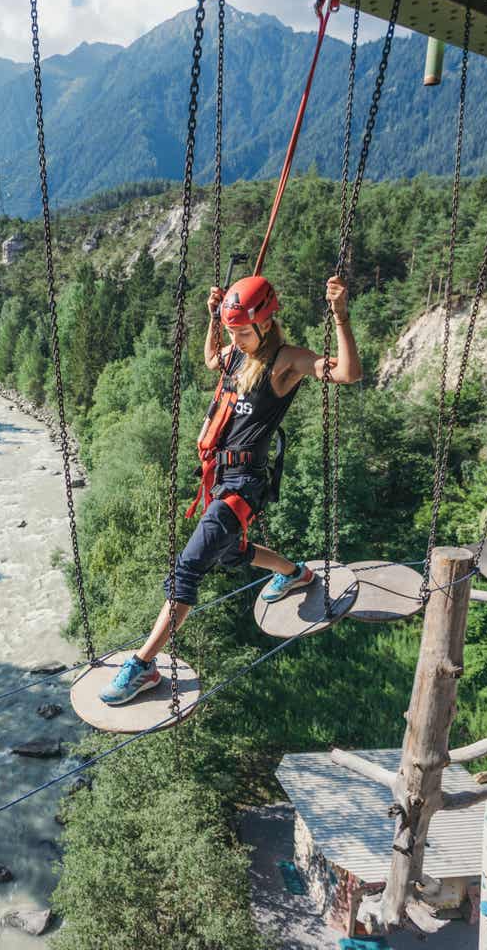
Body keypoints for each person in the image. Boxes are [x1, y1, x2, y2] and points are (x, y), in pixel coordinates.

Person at [100, 274, 361, 705]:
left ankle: (143, 666)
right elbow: (209, 359)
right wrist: (212, 320)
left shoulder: (285, 361)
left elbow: (348, 374)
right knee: (230, 551)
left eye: (241, 332)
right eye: (232, 333)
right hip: (220, 477)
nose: (235, 341)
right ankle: (296, 574)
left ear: (265, 323)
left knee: (188, 567)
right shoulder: (236, 355)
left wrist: (340, 316)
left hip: (245, 484)